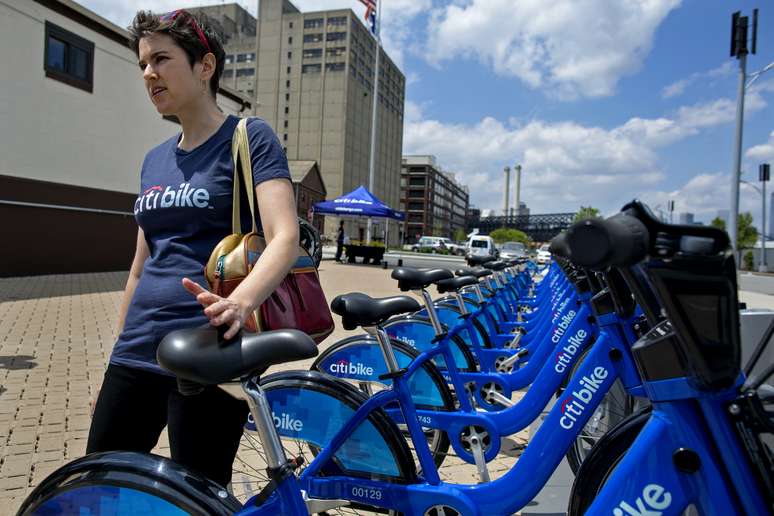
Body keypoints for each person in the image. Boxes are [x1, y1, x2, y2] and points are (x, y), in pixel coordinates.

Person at [86, 9, 299, 488]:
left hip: (209, 352)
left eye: (161, 59)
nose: (148, 73)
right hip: (137, 351)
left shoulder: (248, 138)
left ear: (205, 66)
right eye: (142, 63)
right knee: (102, 480)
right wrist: (118, 348)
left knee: (199, 489)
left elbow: (286, 237)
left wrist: (239, 304)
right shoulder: (153, 160)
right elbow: (140, 267)